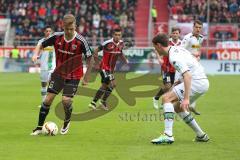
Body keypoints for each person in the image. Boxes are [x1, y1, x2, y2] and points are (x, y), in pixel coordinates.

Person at [31, 14, 93, 136]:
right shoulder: (56, 37)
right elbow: (41, 44)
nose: (69, 31)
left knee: (65, 101)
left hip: (74, 75)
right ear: (62, 26)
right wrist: (35, 54)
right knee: (47, 99)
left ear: (75, 26)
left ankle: (67, 120)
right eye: (67, 29)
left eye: (72, 29)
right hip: (58, 74)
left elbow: (90, 59)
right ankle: (38, 127)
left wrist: (87, 77)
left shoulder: (81, 41)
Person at [151, 33, 209, 144]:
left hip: (196, 81)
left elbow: (188, 75)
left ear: (159, 45)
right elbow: (189, 67)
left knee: (166, 98)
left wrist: (186, 99)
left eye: (155, 47)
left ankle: (168, 135)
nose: (155, 51)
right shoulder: (176, 49)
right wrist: (178, 82)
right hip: (202, 81)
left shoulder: (173, 57)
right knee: (178, 107)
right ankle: (201, 135)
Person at [88, 27, 128, 110]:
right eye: (116, 35)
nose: (117, 36)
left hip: (111, 70)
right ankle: (101, 101)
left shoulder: (121, 44)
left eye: (119, 35)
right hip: (104, 68)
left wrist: (125, 61)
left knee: (105, 86)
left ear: (121, 36)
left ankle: (94, 103)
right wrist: (96, 62)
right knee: (113, 84)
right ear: (113, 35)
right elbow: (95, 51)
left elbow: (120, 53)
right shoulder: (107, 43)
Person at [153, 27, 181, 109]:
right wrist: (159, 58)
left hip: (176, 68)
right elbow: (156, 48)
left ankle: (165, 103)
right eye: (174, 33)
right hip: (166, 67)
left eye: (177, 33)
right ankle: (156, 98)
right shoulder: (167, 42)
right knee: (168, 86)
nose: (175, 35)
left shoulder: (182, 43)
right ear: (171, 34)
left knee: (174, 87)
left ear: (179, 34)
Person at [180, 20, 204, 115]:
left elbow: (197, 48)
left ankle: (191, 105)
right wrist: (192, 54)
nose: (198, 29)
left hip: (195, 65)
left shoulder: (201, 38)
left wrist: (198, 56)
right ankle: (180, 105)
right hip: (186, 65)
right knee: (184, 85)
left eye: (200, 27)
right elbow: (181, 50)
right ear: (193, 27)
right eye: (196, 27)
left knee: (197, 84)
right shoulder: (187, 38)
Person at [35, 26, 56, 103]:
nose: (48, 32)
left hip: (52, 67)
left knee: (51, 84)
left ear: (52, 32)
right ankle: (43, 102)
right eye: (46, 31)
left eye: (49, 31)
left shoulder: (55, 42)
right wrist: (36, 56)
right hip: (43, 67)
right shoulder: (41, 41)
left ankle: (48, 102)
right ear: (44, 32)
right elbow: (37, 51)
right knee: (43, 85)